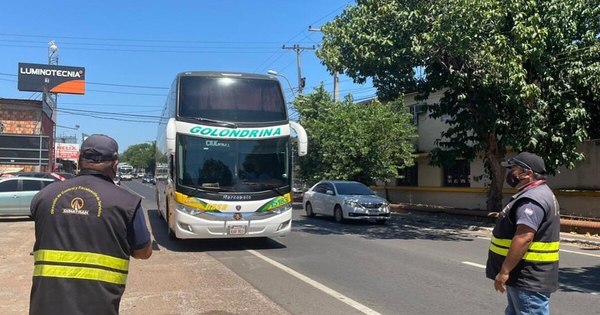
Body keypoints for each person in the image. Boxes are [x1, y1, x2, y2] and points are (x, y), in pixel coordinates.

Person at [29, 134, 152, 315]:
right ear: (115, 165)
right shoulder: (127, 202)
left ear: (79, 161)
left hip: (44, 308)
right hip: (98, 308)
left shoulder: (44, 196)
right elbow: (144, 252)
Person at [486, 152, 560, 315]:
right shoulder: (537, 194)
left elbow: (524, 237)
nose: (510, 173)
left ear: (527, 173)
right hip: (523, 277)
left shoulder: (532, 199)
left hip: (527, 278)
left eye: (513, 169)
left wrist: (504, 271)